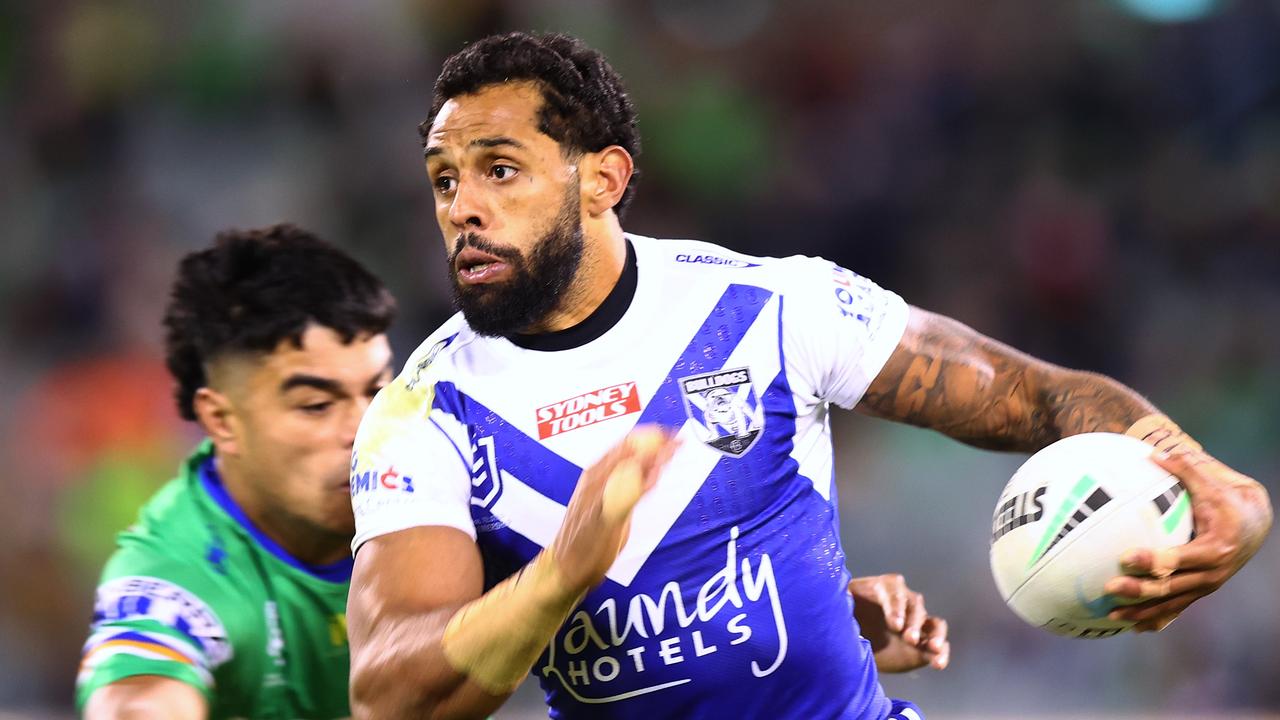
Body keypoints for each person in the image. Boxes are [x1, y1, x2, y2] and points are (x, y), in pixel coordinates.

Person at [345, 32, 1272, 720]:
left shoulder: (773, 307)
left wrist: (1204, 475)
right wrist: (559, 579)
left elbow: (1031, 397)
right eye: (442, 180)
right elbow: (391, 695)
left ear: (604, 179)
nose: (462, 207)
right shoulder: (422, 415)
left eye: (499, 170)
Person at [76, 225, 397, 719]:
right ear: (222, 421)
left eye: (378, 391)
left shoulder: (456, 477)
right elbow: (137, 699)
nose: (365, 429)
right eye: (316, 405)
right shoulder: (179, 573)